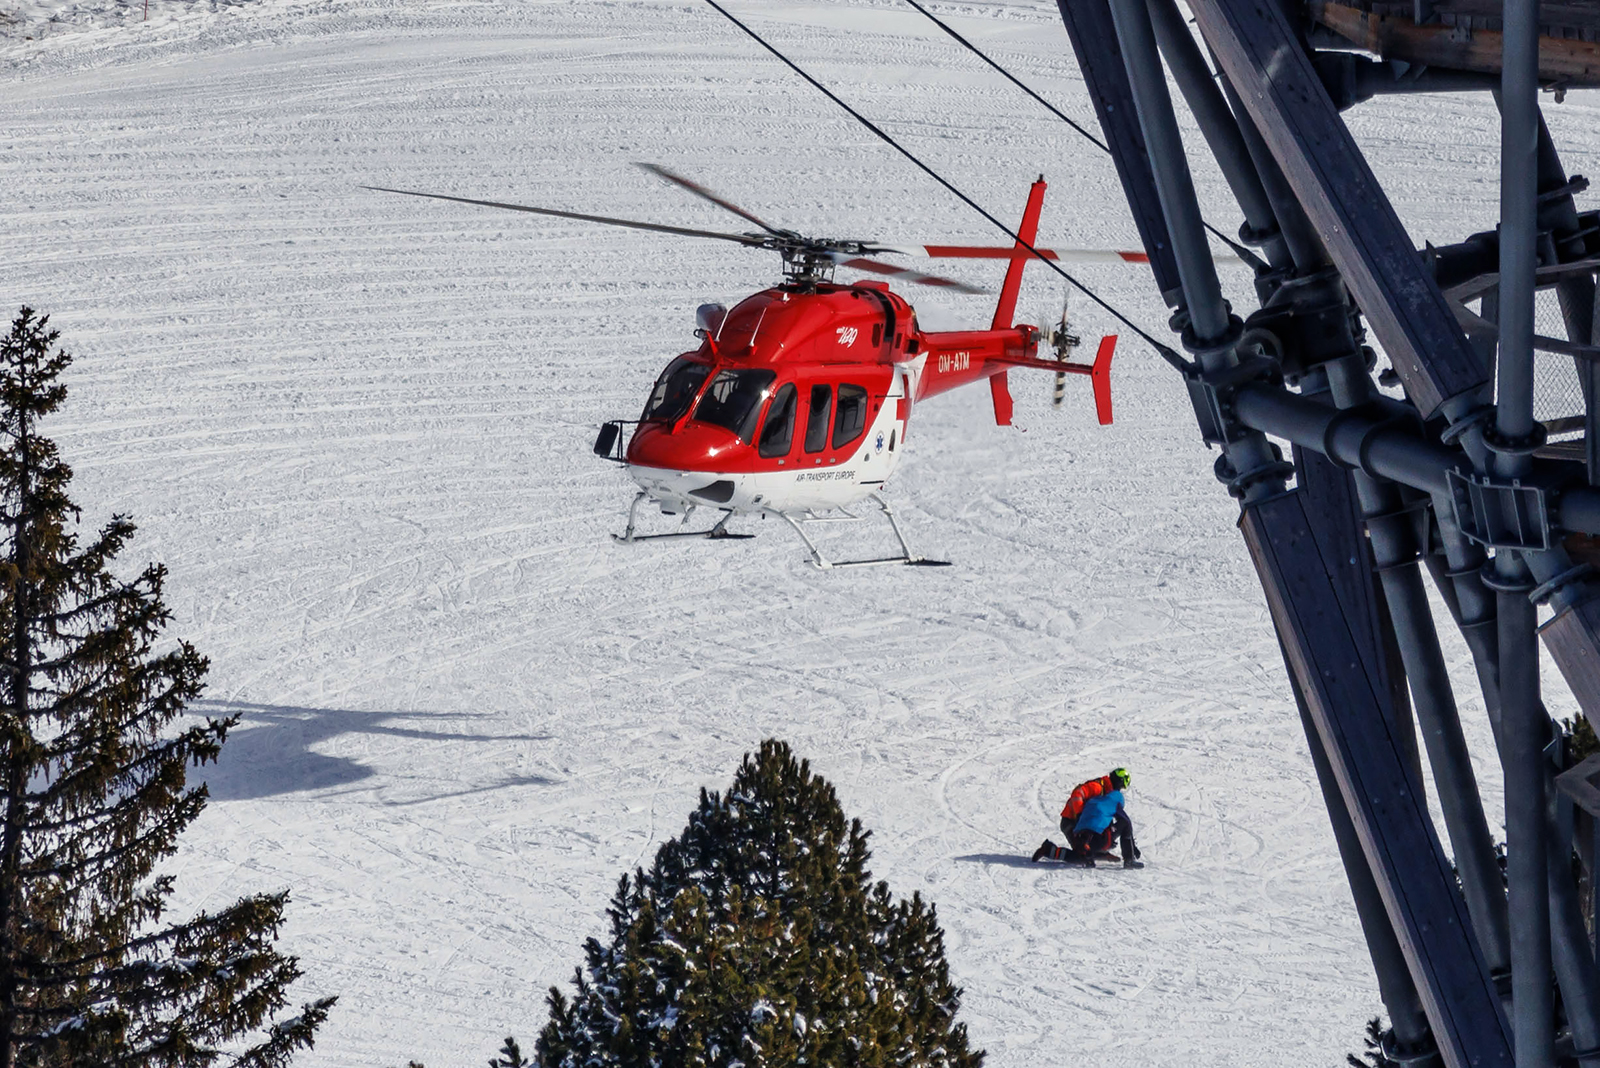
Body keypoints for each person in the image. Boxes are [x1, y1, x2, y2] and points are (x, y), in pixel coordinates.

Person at [1030, 767, 1143, 868]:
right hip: (1071, 821)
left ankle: (1095, 852)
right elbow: (1077, 794)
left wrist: (1130, 844)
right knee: (1082, 854)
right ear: (1118, 782)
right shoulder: (1098, 787)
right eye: (1121, 787)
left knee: (1084, 854)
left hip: (1082, 823)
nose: (1120, 791)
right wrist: (1079, 815)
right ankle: (1050, 850)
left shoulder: (1107, 793)